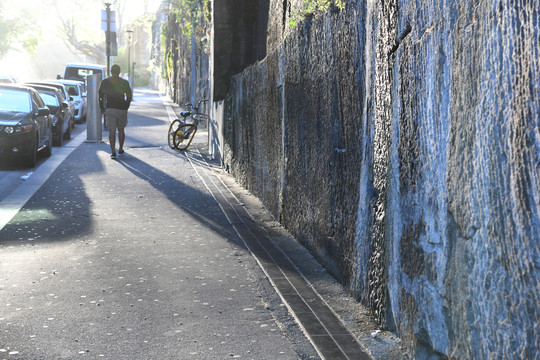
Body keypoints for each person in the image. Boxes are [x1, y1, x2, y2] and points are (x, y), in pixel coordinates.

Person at [98, 64, 132, 159]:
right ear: (119, 71)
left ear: (111, 71)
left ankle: (113, 151)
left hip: (110, 108)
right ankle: (120, 148)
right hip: (121, 109)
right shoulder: (124, 82)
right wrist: (126, 106)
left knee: (111, 130)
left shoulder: (105, 82)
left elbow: (100, 96)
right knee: (121, 129)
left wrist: (102, 108)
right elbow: (129, 95)